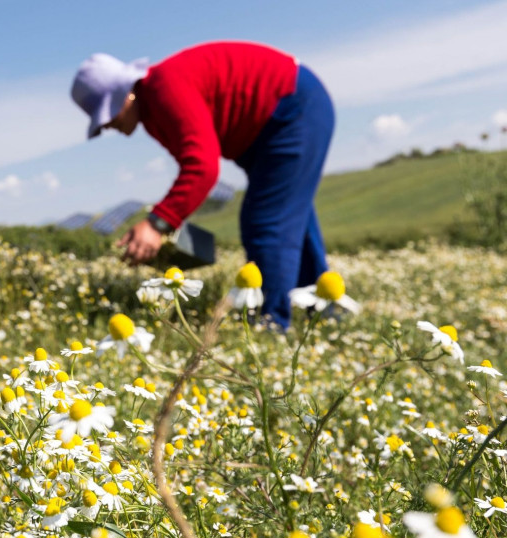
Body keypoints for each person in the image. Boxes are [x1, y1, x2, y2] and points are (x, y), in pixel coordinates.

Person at [71, 41, 335, 329]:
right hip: (286, 114)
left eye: (107, 115)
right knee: (288, 217)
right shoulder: (154, 111)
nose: (107, 126)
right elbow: (194, 165)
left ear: (125, 95)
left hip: (293, 107)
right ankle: (324, 311)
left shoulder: (164, 90)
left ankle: (272, 323)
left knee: (266, 222)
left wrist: (157, 224)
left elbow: (202, 168)